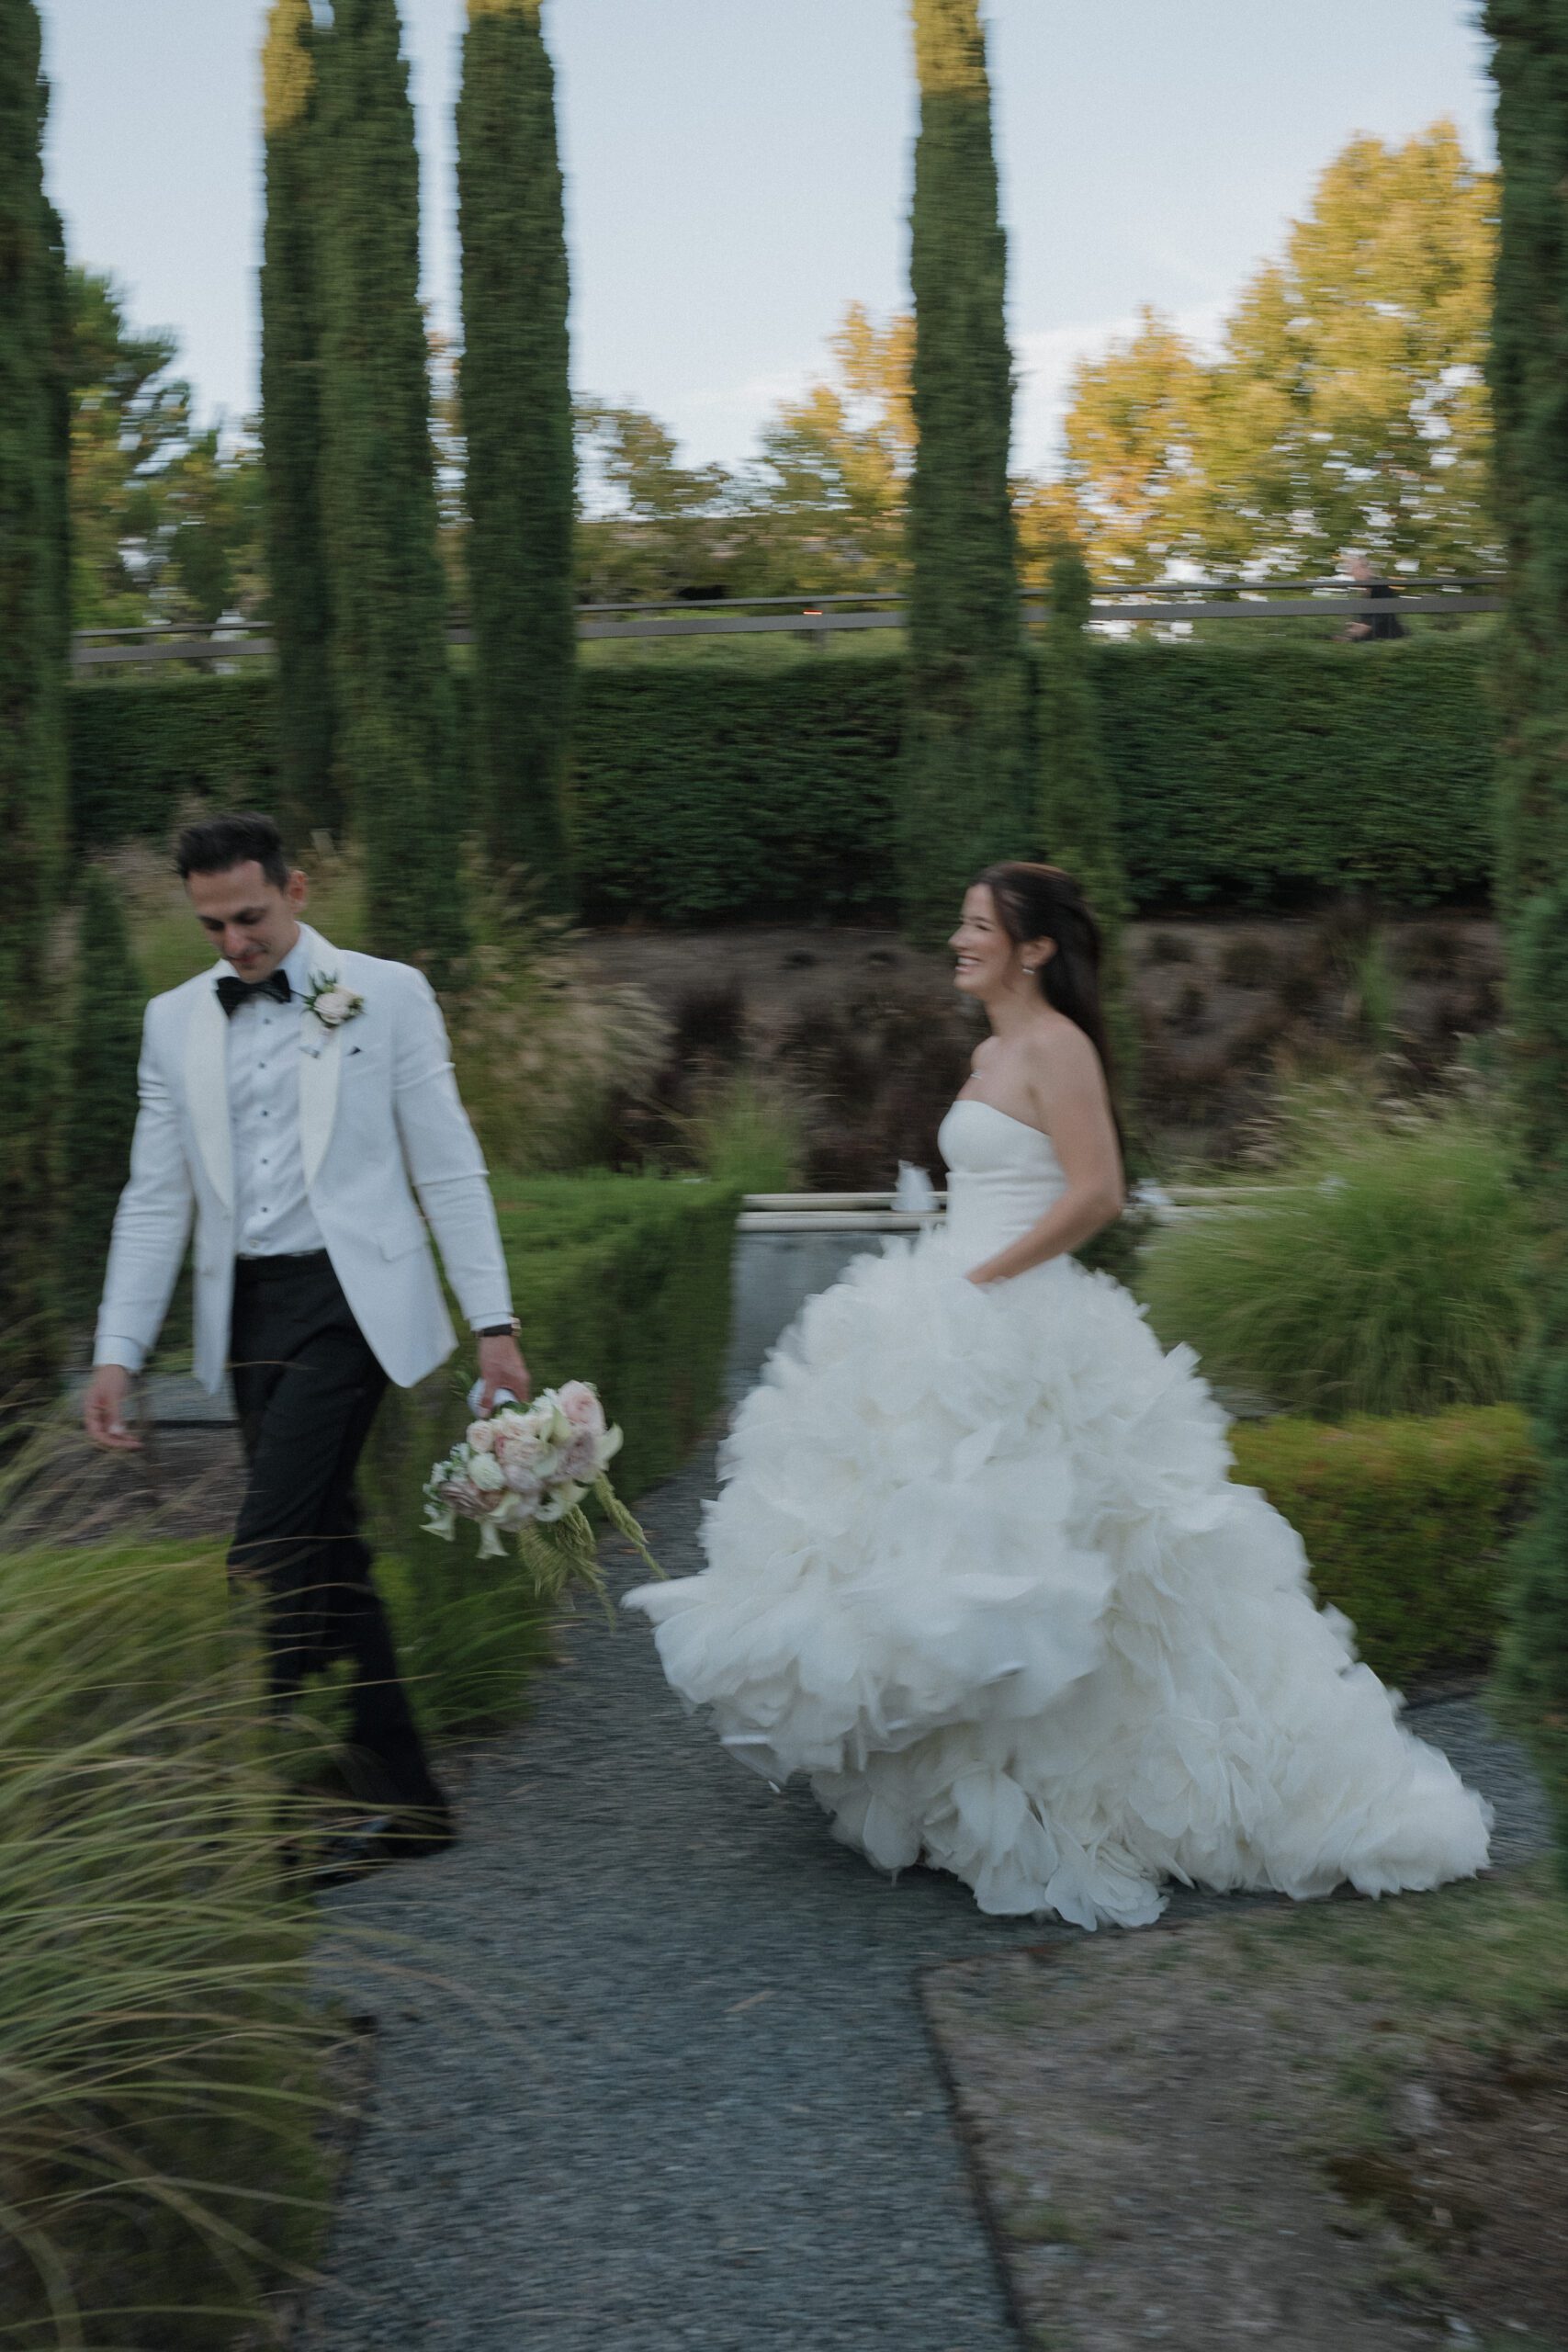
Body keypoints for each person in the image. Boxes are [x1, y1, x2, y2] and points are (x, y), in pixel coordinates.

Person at [625, 863, 1491, 1928]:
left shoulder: (1058, 1048)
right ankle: (981, 1783)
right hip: (951, 1310)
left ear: (1034, 947)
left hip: (1019, 1318)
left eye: (978, 924)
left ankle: (1113, 1791)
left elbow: (1098, 1191)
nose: (958, 937)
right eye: (962, 920)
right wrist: (954, 1277)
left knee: (1065, 1561)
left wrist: (984, 1277)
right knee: (939, 1549)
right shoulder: (991, 1050)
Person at [83, 813, 529, 1877]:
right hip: (246, 1312)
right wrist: (117, 1349)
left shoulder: (387, 991)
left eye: (251, 916)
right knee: (327, 1553)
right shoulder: (171, 1022)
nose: (234, 943)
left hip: (352, 1306)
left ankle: (238, 1804)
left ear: (297, 889)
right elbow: (155, 1197)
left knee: (270, 1544)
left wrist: (495, 1324)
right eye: (212, 925)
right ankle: (407, 1800)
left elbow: (449, 1166)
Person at [1341, 549, 1406, 641]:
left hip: (1389, 640)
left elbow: (1385, 614)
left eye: (1355, 569)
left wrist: (1366, 626)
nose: (1352, 573)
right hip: (1375, 640)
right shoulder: (1365, 593)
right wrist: (1354, 629)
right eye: (1351, 569)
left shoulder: (1382, 586)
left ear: (1366, 569)